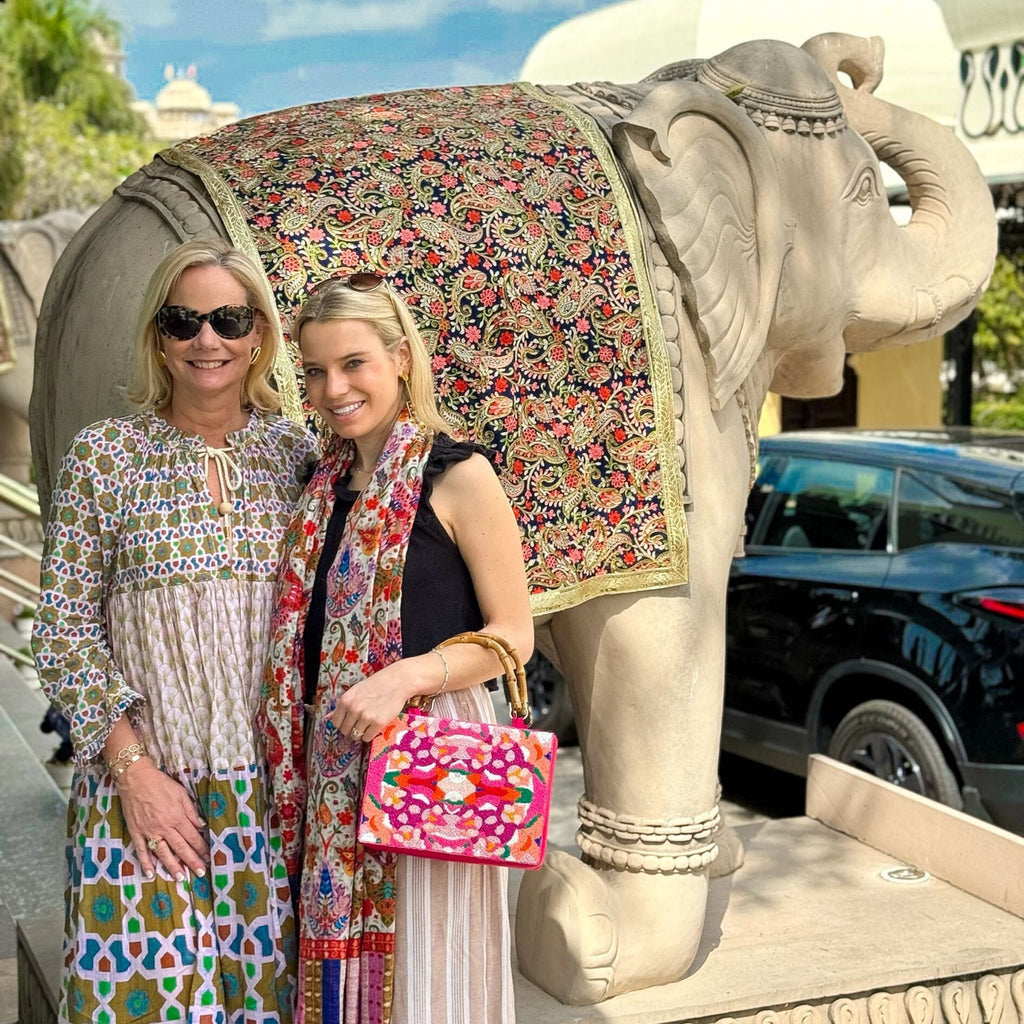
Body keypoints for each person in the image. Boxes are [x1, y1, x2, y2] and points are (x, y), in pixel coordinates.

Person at [32, 239, 319, 1023]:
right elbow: (61, 630)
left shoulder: (297, 454)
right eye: (183, 321)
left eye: (228, 319)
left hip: (269, 803)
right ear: (158, 335)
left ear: (258, 333)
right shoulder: (106, 457)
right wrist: (135, 774)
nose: (207, 341)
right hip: (143, 800)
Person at [261, 272, 533, 1024]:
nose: (332, 388)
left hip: (431, 749)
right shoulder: (320, 486)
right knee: (354, 987)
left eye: (354, 363)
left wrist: (403, 678)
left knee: (431, 974)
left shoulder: (460, 475)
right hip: (338, 757)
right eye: (314, 371)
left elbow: (515, 634)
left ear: (401, 358)